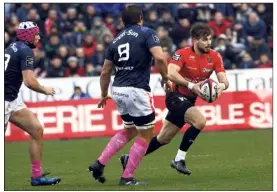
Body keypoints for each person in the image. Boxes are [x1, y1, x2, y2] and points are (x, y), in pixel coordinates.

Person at [120, 23, 229, 175]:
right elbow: (171, 73)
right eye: (205, 40)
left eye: (210, 39)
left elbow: (224, 80)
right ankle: (179, 159)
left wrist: (220, 88)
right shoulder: (181, 54)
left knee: (163, 138)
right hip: (175, 96)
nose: (208, 43)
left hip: (189, 100)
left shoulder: (215, 56)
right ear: (195, 40)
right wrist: (192, 86)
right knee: (200, 121)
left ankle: (129, 158)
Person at [87, 5, 170, 186]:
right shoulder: (147, 32)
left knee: (129, 130)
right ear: (141, 18)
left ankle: (99, 163)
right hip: (137, 90)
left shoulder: (115, 40)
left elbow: (105, 72)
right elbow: (160, 58)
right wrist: (165, 78)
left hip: (118, 90)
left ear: (123, 21)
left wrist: (103, 94)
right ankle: (127, 177)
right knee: (145, 135)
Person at [4, 21, 61, 186]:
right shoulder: (26, 51)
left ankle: (36, 177)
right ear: (28, 36)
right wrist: (45, 90)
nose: (39, 36)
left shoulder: (12, 47)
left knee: (36, 130)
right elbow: (29, 82)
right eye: (36, 34)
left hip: (12, 99)